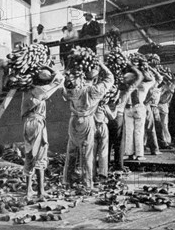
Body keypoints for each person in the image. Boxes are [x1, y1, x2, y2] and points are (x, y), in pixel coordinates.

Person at [62, 62, 114, 188]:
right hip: (87, 121)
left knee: (71, 150)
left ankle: (67, 181)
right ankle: (87, 183)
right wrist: (101, 65)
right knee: (87, 153)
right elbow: (110, 78)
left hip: (74, 120)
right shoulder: (96, 90)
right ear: (95, 79)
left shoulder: (74, 88)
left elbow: (64, 89)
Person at [21, 68, 64, 199]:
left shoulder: (27, 91)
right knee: (40, 155)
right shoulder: (39, 91)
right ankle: (40, 191)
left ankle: (29, 189)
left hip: (28, 124)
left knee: (29, 155)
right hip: (36, 123)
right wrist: (50, 68)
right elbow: (59, 79)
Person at [109, 66, 143, 170]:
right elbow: (140, 76)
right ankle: (119, 165)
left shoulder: (110, 88)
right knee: (119, 142)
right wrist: (131, 65)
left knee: (107, 143)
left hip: (106, 116)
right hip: (118, 115)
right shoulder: (127, 90)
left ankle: (105, 166)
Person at [123, 64, 155, 161]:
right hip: (139, 108)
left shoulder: (125, 86)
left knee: (129, 132)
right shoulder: (143, 86)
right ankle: (139, 154)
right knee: (139, 131)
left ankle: (129, 153)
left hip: (128, 109)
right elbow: (153, 80)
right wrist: (144, 68)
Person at [157, 72, 175, 149]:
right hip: (162, 105)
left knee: (163, 125)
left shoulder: (168, 87)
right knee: (163, 125)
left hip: (162, 105)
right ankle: (165, 141)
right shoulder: (169, 86)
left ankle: (166, 141)